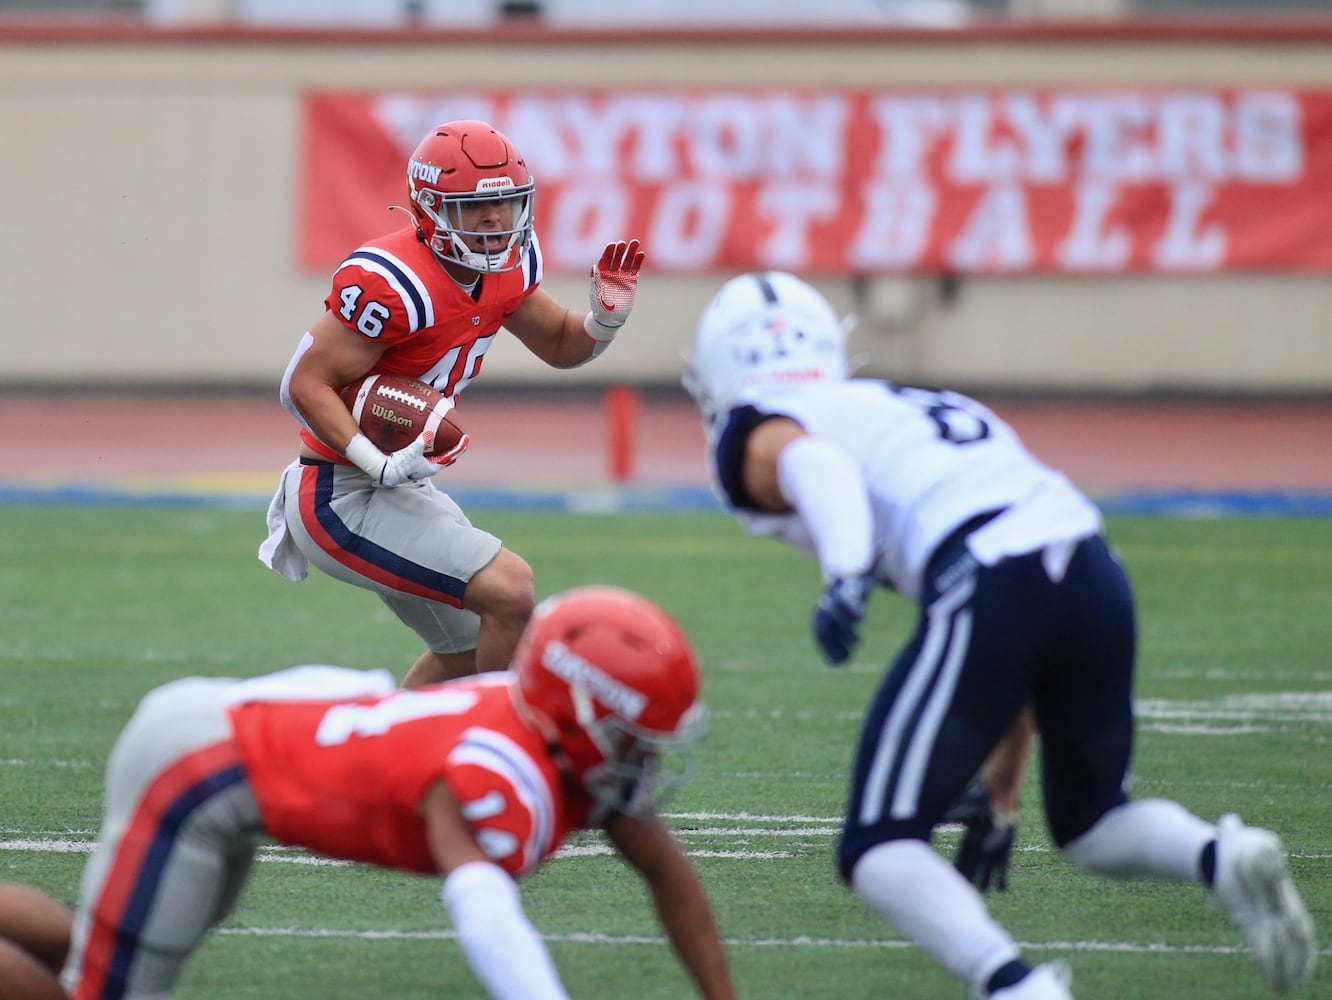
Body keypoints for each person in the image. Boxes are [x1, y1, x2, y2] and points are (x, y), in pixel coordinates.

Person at [682, 271, 1317, 999]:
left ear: (719, 369)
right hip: (1089, 567)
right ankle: (1221, 854)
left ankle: (1020, 989)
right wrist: (1002, 793)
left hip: (994, 573)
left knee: (878, 846)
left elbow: (813, 464)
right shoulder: (921, 404)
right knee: (1092, 824)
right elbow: (1015, 637)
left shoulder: (766, 423)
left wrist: (845, 572)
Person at [0, 586, 734, 1000]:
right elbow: (485, 914)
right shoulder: (494, 767)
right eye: (635, 735)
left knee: (105, 946)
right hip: (197, 772)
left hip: (228, 736)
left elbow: (666, 870)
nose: (645, 756)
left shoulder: (548, 728)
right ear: (581, 715)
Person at [259, 119, 646, 687]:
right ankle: (498, 743)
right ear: (428, 210)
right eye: (472, 208)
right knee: (510, 592)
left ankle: (383, 760)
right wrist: (374, 459)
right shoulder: (396, 283)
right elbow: (303, 382)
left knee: (476, 649)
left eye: (506, 205)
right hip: (339, 493)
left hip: (399, 485)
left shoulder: (508, 268)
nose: (494, 221)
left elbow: (561, 345)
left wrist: (602, 322)